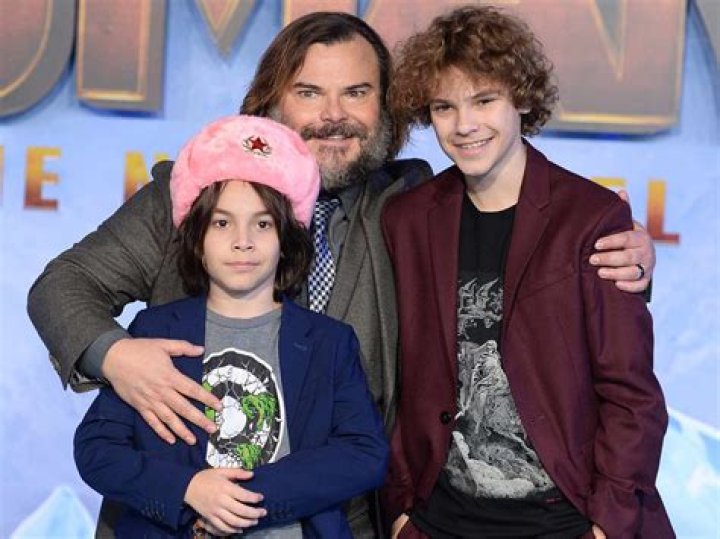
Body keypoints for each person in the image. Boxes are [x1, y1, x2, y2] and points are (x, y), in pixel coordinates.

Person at [27, 11, 656, 538]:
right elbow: (62, 286)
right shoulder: (193, 198)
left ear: (389, 107)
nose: (334, 115)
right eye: (308, 93)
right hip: (182, 515)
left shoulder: (408, 205)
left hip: (343, 522)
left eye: (356, 93)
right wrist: (116, 357)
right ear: (268, 102)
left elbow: (519, 254)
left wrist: (624, 257)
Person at [381, 6, 672, 539]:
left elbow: (631, 396)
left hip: (564, 519)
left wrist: (607, 523)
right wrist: (401, 511)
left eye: (484, 100)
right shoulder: (407, 219)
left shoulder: (590, 218)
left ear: (520, 98)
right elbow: (395, 376)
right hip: (438, 521)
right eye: (445, 107)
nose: (464, 125)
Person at [74, 115, 388, 537]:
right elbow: (97, 450)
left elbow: (363, 453)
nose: (244, 241)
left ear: (286, 239)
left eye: (263, 223)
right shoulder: (155, 329)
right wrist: (189, 490)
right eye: (222, 223)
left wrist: (243, 497)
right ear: (197, 238)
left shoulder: (329, 342)